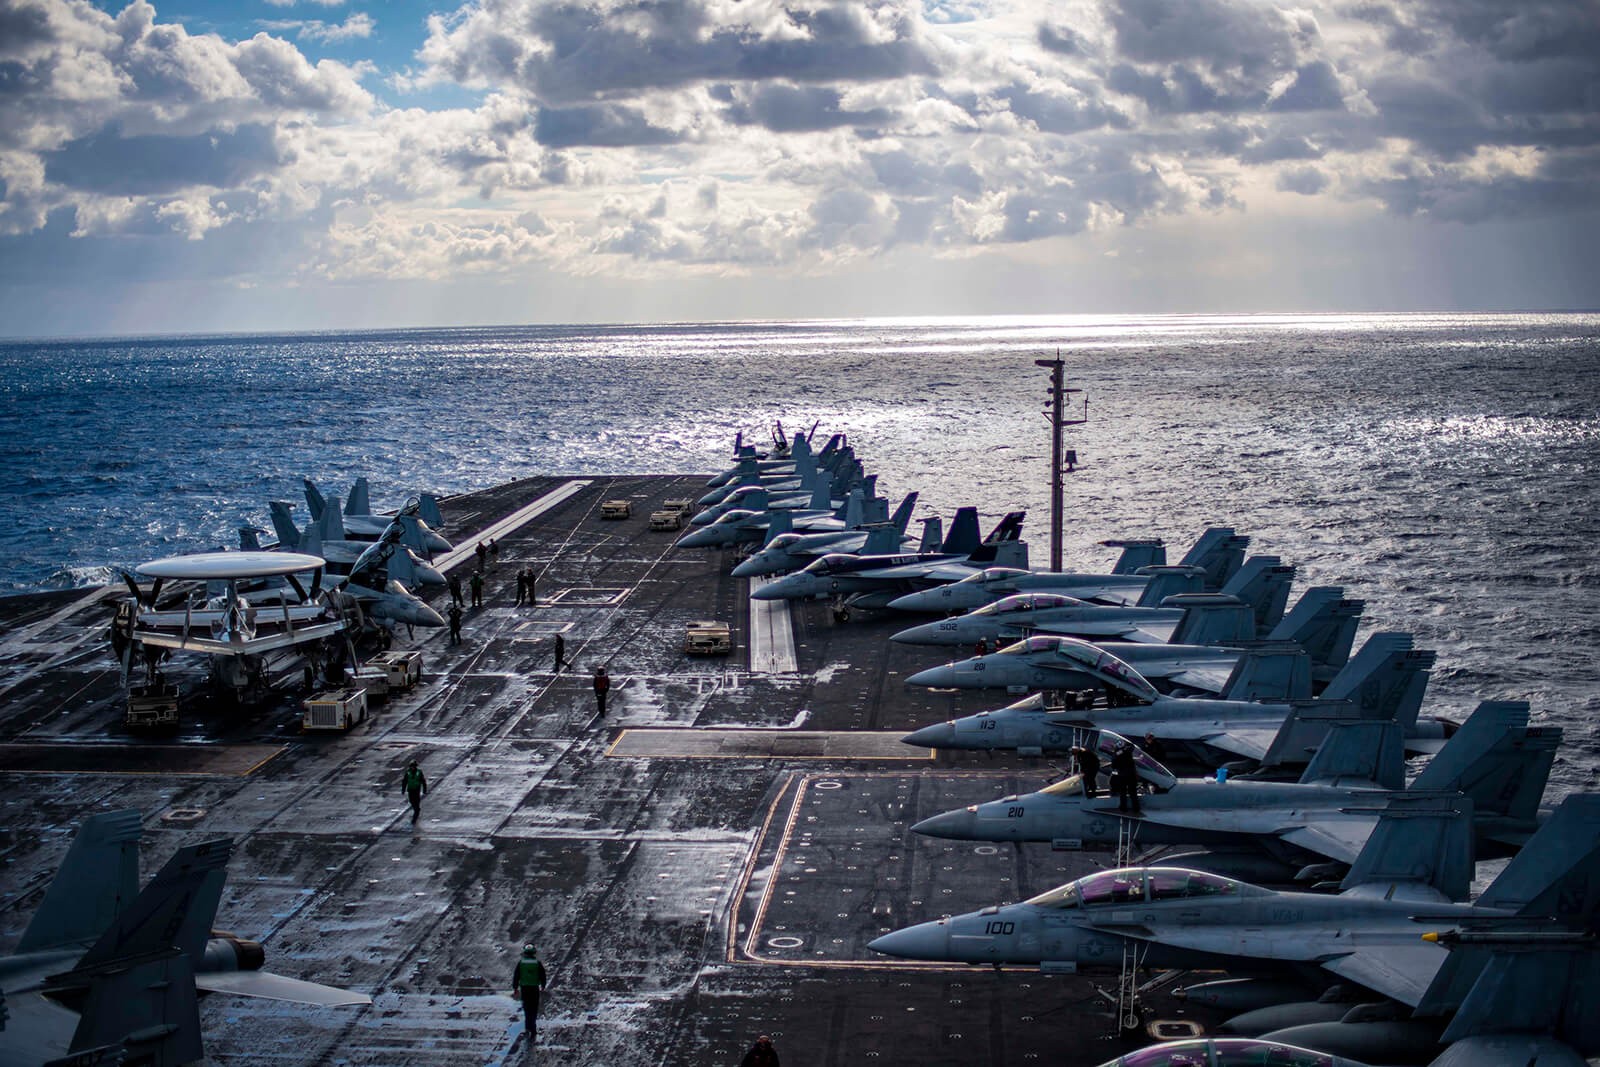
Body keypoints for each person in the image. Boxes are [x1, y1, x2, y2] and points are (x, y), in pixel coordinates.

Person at [511, 943, 547, 1040]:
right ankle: (533, 1028)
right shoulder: (537, 963)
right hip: (534, 988)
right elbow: (543, 975)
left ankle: (527, 1028)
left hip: (525, 988)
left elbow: (516, 976)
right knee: (533, 1009)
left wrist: (515, 988)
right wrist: (543, 986)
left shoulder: (521, 963)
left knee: (527, 1008)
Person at [1112, 743, 1140, 813]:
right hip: (1131, 775)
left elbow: (1113, 766)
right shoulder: (1128, 751)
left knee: (1122, 792)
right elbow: (1132, 745)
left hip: (1122, 776)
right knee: (1133, 792)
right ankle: (1136, 808)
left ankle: (1123, 807)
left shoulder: (1116, 754)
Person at [402, 759, 427, 824]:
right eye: (411, 766)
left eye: (413, 766)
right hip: (410, 790)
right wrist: (403, 789)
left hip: (416, 790)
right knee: (411, 801)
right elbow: (405, 781)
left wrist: (424, 790)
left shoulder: (419, 772)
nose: (412, 767)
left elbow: (423, 781)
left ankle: (414, 818)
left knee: (417, 801)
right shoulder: (408, 772)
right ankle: (417, 809)